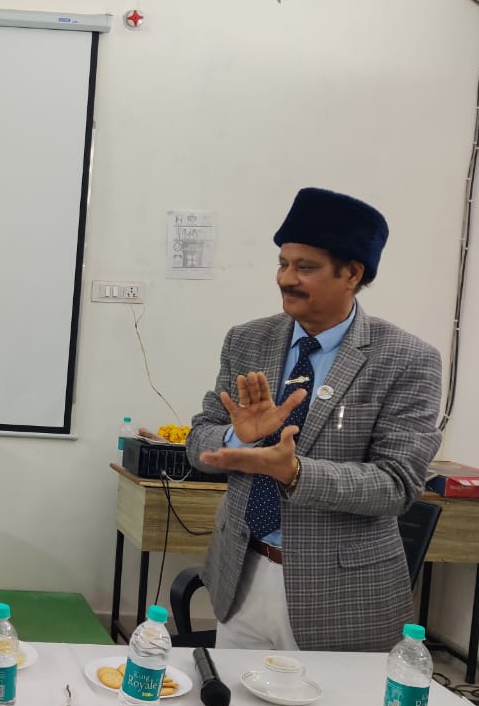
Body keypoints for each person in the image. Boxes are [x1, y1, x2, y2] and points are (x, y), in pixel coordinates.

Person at [184, 187, 441, 653]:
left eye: (305, 267)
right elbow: (198, 439)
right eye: (283, 263)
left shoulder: (406, 359)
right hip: (240, 576)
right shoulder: (248, 340)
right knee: (234, 701)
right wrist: (236, 438)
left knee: (330, 705)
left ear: (352, 274)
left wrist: (295, 472)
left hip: (340, 596)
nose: (286, 278)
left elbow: (397, 484)